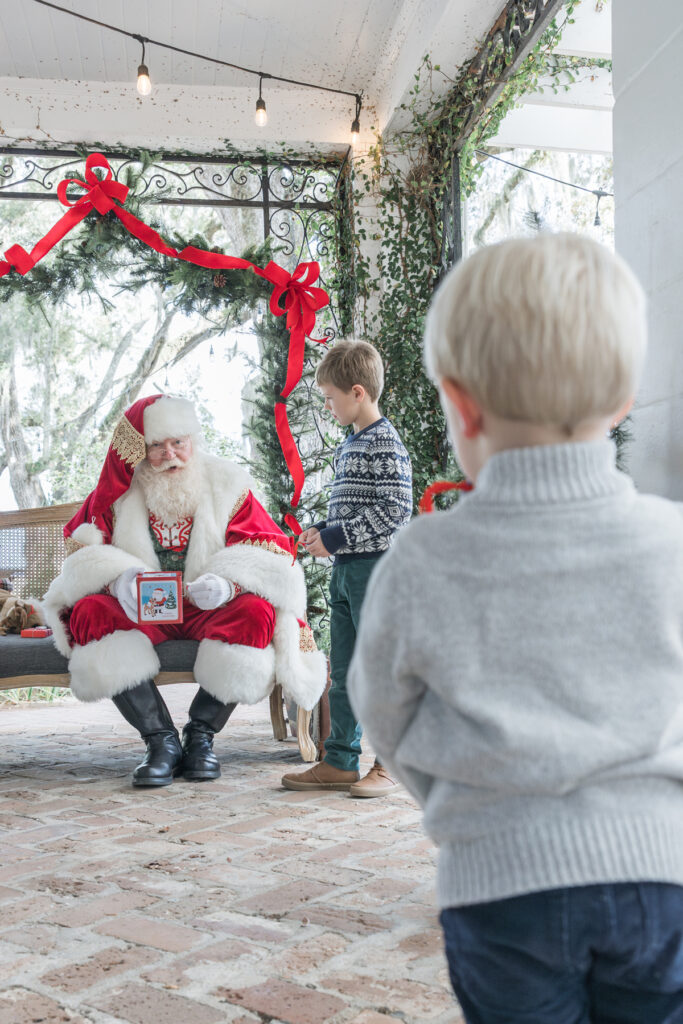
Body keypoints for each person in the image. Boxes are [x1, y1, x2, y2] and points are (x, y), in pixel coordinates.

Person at [348, 234, 683, 1021]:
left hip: (500, 886)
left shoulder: (424, 555)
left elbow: (382, 711)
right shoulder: (670, 542)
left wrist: (464, 797)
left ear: (460, 403)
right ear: (622, 400)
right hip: (661, 878)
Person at [43, 394, 326, 787]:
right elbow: (79, 556)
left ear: (193, 440)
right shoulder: (118, 492)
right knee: (89, 611)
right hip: (140, 612)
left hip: (205, 609)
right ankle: (160, 742)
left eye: (178, 442)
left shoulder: (227, 484)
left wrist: (228, 584)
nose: (169, 454)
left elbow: (271, 552)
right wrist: (116, 579)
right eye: (156, 446)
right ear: (139, 450)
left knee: (256, 613)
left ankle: (200, 737)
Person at [281, 339, 413, 798]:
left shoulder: (385, 442)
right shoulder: (352, 444)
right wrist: (323, 532)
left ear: (358, 393)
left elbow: (396, 508)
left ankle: (391, 762)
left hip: (375, 570)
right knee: (346, 668)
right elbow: (355, 508)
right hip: (346, 569)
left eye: (330, 397)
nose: (327, 405)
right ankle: (340, 759)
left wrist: (336, 537)